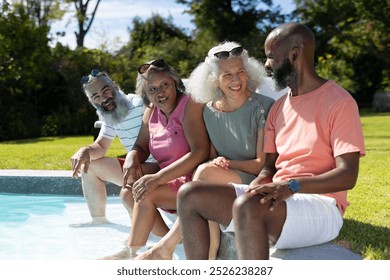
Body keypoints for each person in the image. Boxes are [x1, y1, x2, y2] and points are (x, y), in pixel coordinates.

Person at [178, 22, 366, 260]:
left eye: (270, 57)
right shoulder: (278, 108)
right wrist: (256, 185)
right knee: (190, 194)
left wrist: (291, 186)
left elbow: (348, 175)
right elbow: (268, 167)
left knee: (248, 206)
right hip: (278, 198)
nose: (266, 64)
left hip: (321, 207)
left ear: (294, 54)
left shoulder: (339, 102)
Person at [138, 41, 274, 260]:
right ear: (214, 80)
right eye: (226, 75)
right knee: (205, 174)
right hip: (222, 179)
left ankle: (171, 247)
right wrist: (218, 161)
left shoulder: (263, 107)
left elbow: (260, 164)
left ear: (248, 72)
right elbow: (210, 155)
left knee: (203, 173)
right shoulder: (209, 111)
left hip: (253, 179)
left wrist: (226, 162)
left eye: (240, 71)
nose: (236, 80)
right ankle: (204, 254)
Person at [101, 59, 209, 259]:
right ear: (146, 93)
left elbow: (199, 152)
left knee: (145, 194)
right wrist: (133, 156)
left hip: (194, 179)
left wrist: (158, 179)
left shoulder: (190, 104)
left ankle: (131, 251)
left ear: (175, 82)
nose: (160, 93)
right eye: (152, 89)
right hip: (168, 177)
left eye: (164, 85)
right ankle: (173, 238)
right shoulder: (150, 111)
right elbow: (141, 145)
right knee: (127, 193)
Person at [71, 69, 157, 226]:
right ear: (92, 102)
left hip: (158, 168)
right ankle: (98, 220)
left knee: (128, 189)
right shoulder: (110, 116)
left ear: (115, 87)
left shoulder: (139, 105)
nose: (104, 98)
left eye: (106, 90)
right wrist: (85, 151)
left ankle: (139, 231)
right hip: (137, 167)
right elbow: (101, 146)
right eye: (96, 96)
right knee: (89, 166)